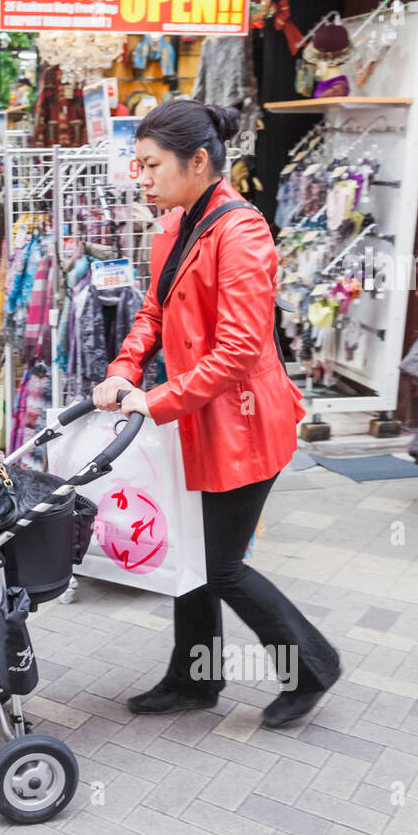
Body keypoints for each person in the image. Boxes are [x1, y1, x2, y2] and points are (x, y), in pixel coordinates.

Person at [92, 98, 340, 728]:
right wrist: (124, 368)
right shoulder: (175, 225)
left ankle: (313, 665)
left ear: (197, 161)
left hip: (245, 423)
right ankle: (193, 679)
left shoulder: (242, 231)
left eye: (151, 165)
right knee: (192, 553)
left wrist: (157, 400)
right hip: (198, 418)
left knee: (220, 564)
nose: (140, 177)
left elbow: (236, 351)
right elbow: (152, 312)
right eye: (137, 165)